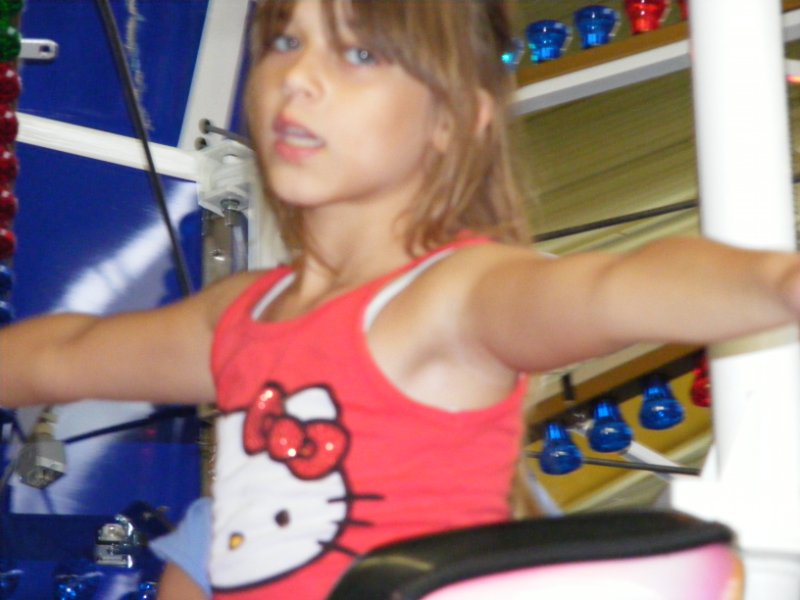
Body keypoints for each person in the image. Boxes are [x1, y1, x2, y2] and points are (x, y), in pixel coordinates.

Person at [3, 1, 800, 598]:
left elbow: (615, 289)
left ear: (456, 118)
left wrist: (775, 282)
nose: (298, 76)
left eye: (359, 54)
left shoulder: (452, 297)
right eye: (284, 40)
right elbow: (64, 354)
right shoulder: (242, 315)